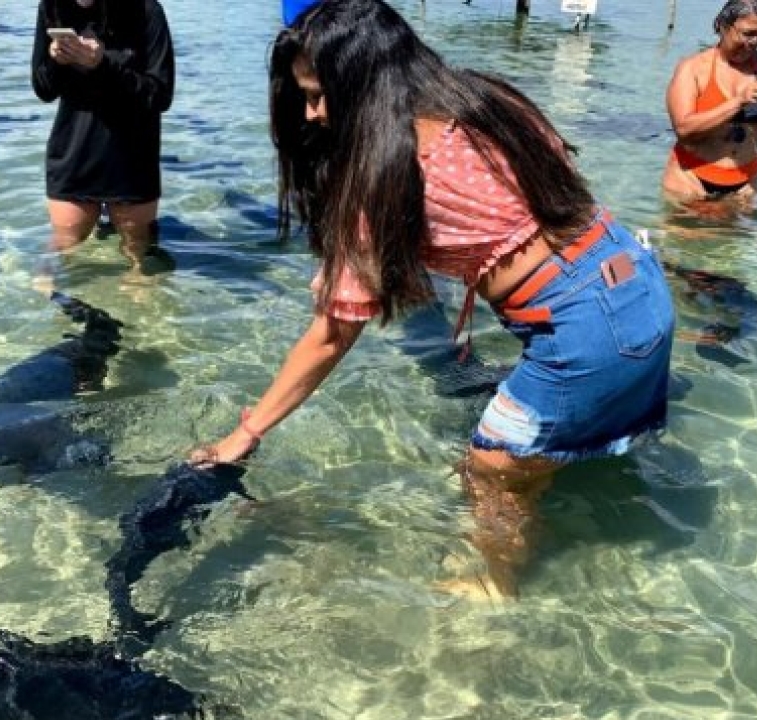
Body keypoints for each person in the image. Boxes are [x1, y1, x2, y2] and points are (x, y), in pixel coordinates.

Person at [193, 0, 675, 600]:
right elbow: (525, 202)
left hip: (582, 330)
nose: (312, 115)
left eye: (319, 95)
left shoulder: (382, 174)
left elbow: (330, 337)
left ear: (361, 85)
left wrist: (245, 434)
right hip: (637, 282)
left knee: (489, 470)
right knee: (540, 459)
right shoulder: (487, 100)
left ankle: (490, 592)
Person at [30, 0, 175, 275]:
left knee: (138, 256)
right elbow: (43, 89)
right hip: (74, 149)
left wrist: (102, 65)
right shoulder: (53, 6)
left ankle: (139, 317)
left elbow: (160, 95)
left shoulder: (146, 10)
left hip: (131, 155)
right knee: (60, 252)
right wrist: (57, 62)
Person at [662, 0, 757, 201]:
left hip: (746, 185)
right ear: (723, 26)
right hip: (691, 181)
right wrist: (738, 101)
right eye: (747, 33)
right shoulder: (692, 69)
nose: (753, 42)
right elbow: (684, 130)